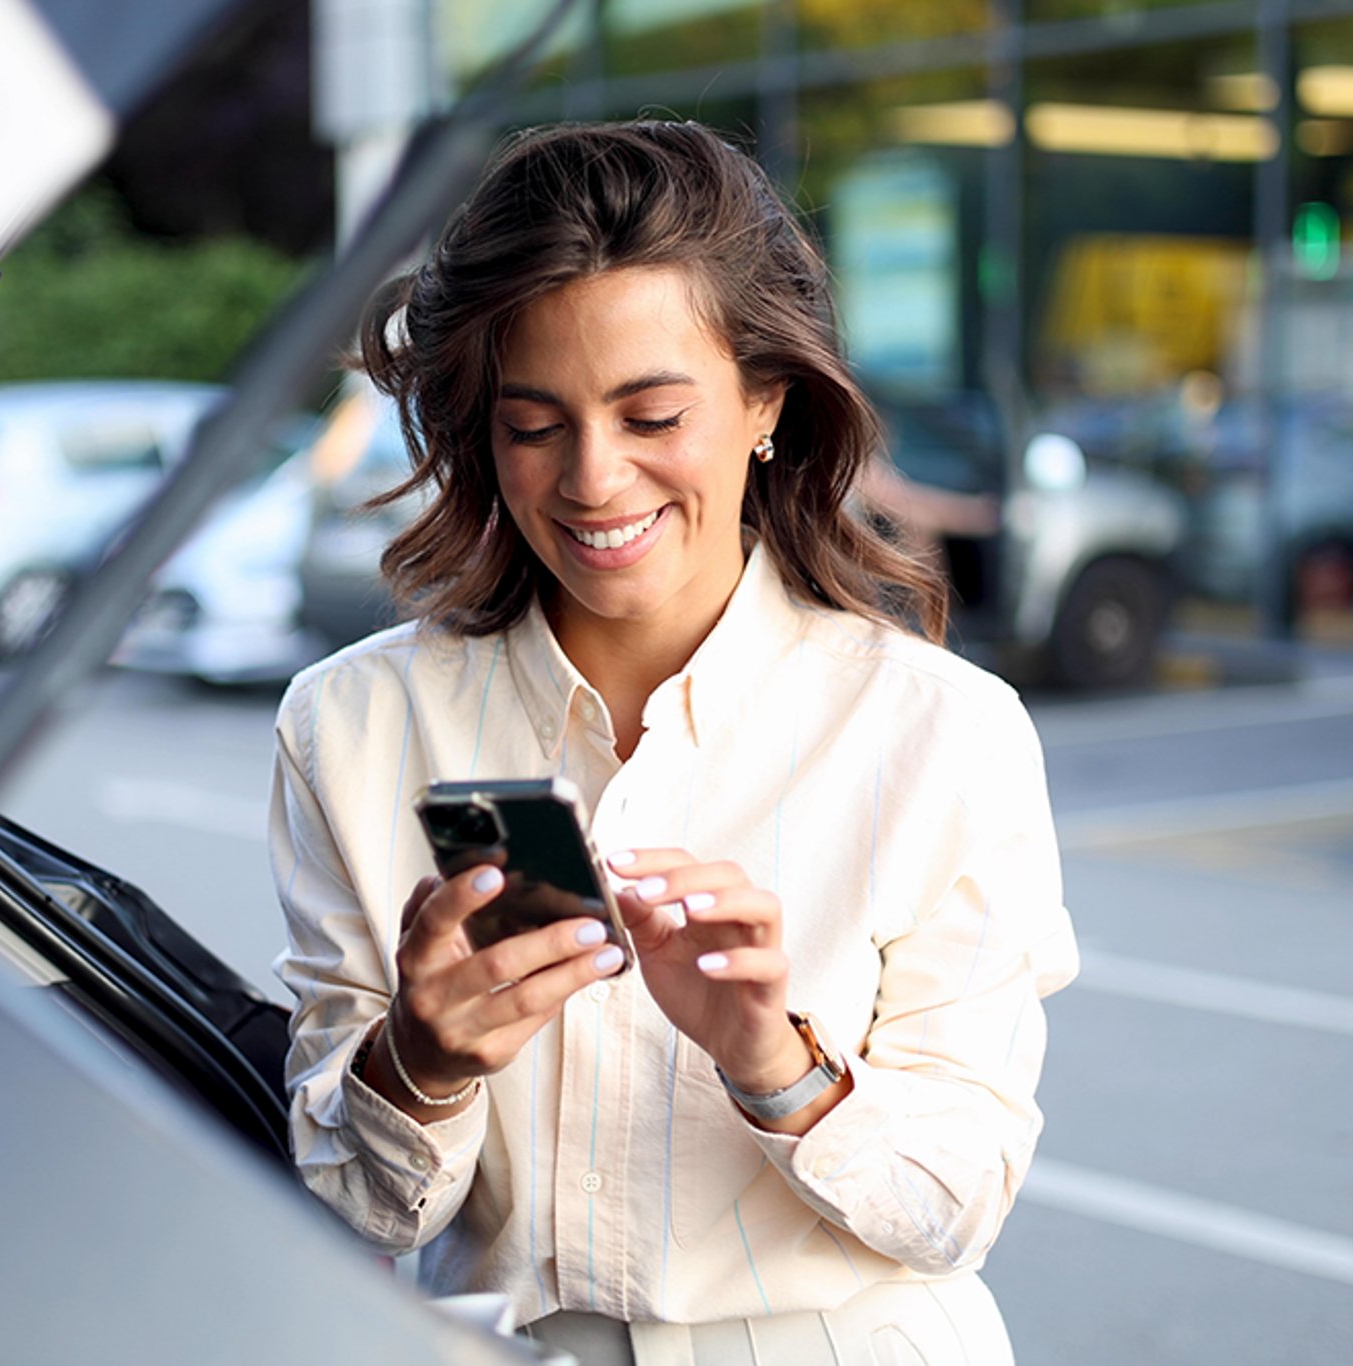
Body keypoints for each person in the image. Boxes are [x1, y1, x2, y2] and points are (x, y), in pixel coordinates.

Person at [272, 120, 1078, 1366]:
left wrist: (775, 1062)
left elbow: (952, 1209)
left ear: (764, 400)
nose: (594, 480)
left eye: (651, 413)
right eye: (534, 424)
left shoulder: (939, 730)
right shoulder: (358, 723)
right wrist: (418, 1063)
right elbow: (356, 1205)